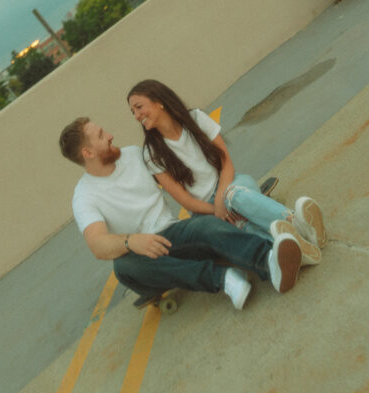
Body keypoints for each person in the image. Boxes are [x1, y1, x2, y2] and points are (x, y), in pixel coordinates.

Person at [59, 115, 305, 311]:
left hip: (174, 233)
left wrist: (221, 197)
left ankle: (270, 260)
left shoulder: (135, 155)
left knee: (206, 226)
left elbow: (183, 179)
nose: (111, 135)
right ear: (88, 153)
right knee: (123, 268)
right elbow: (98, 245)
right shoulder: (84, 196)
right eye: (102, 136)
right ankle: (224, 278)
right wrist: (131, 241)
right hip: (144, 256)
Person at [127, 79, 327, 266]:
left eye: (139, 107)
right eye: (132, 113)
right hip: (204, 210)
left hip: (231, 183)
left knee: (235, 197)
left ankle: (298, 225)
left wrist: (222, 199)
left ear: (159, 101)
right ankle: (300, 245)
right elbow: (186, 201)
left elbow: (226, 163)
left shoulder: (195, 118)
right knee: (240, 223)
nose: (136, 116)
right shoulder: (151, 153)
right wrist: (216, 209)